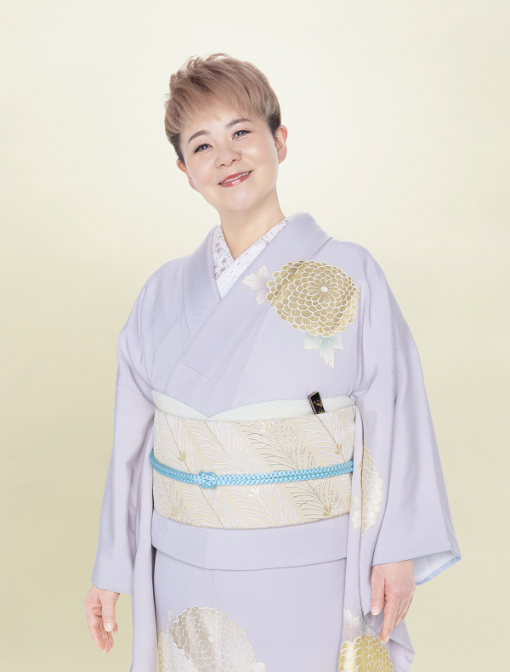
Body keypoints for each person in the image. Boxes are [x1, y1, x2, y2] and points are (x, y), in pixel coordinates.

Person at [84, 53, 461, 672]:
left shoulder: (352, 271)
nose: (226, 156)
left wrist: (395, 549)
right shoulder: (160, 294)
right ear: (185, 172)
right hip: (183, 567)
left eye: (242, 132)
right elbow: (130, 442)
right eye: (202, 145)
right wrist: (112, 565)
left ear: (279, 141)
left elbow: (396, 412)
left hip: (311, 567)